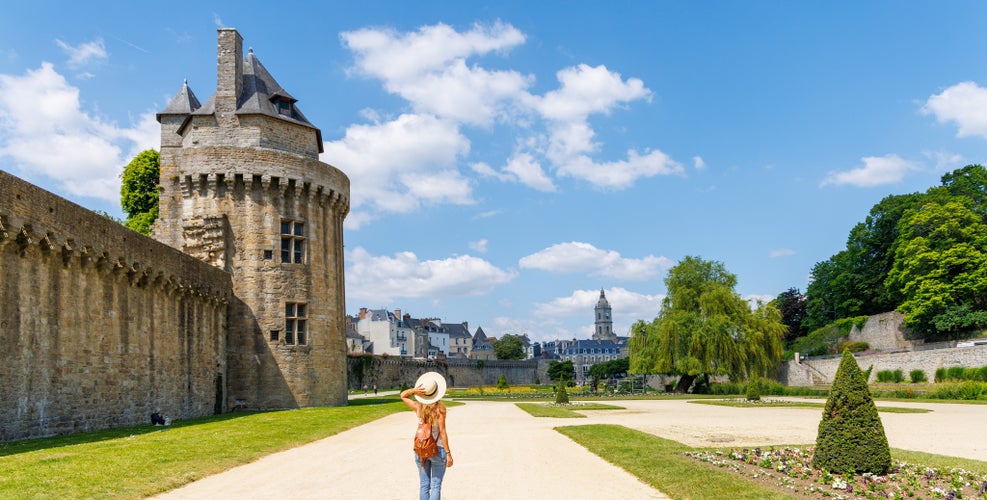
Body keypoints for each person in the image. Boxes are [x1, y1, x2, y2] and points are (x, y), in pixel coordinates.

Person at [400, 372, 453, 500]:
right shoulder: (440, 409)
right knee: (435, 485)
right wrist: (448, 453)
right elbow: (442, 432)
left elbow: (403, 395)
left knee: (424, 485)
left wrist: (414, 390)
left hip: (421, 449)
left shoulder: (418, 407)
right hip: (437, 449)